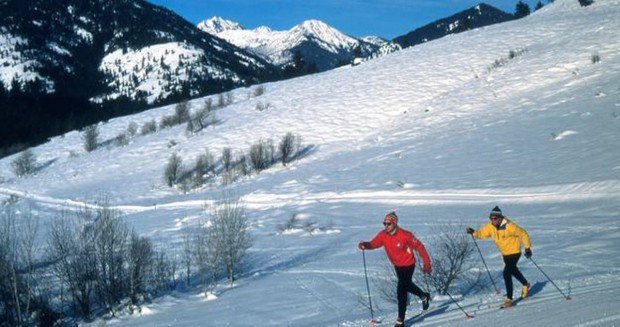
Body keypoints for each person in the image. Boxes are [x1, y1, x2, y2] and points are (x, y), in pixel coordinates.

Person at [358, 211, 432, 327]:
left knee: (401, 289)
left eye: (388, 224)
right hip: (397, 266)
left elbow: (420, 247)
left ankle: (400, 320)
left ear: (395, 224)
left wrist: (427, 264)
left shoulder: (405, 235)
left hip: (408, 264)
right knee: (407, 285)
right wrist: (365, 245)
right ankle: (424, 296)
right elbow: (374, 244)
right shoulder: (383, 235)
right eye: (384, 224)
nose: (386, 226)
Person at [467, 206, 532, 308]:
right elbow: (482, 234)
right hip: (505, 254)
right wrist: (474, 232)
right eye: (491, 218)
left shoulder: (510, 226)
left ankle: (509, 299)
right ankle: (525, 284)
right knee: (513, 270)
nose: (493, 221)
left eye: (495, 219)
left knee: (506, 273)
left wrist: (527, 248)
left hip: (515, 252)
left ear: (500, 218)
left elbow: (523, 233)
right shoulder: (490, 227)